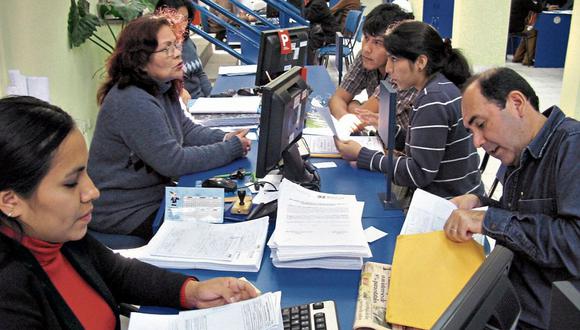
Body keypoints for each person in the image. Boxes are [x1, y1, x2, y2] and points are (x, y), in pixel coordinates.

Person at [0, 95, 258, 328]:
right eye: (70, 183)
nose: (92, 191)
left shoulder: (60, 238)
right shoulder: (8, 294)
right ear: (10, 201)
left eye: (86, 173)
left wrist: (191, 292)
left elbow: (118, 272)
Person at [88, 15, 251, 240]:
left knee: (230, 213)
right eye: (166, 48)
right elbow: (174, 162)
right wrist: (231, 148)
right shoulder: (132, 101)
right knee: (223, 223)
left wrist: (224, 138)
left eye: (176, 45)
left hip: (153, 196)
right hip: (125, 211)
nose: (177, 53)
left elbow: (187, 130)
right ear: (140, 59)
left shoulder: (161, 87)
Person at [443, 67, 580, 329]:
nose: (478, 142)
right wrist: (479, 203)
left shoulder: (572, 146)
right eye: (471, 131)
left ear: (516, 103)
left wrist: (488, 219)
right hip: (503, 300)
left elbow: (575, 244)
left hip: (541, 319)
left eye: (481, 125)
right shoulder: (517, 152)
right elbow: (522, 217)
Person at [336, 21, 484, 204]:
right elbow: (426, 141)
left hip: (447, 206)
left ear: (421, 62)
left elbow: (418, 173)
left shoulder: (433, 98)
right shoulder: (438, 87)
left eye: (395, 60)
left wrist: (363, 155)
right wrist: (386, 126)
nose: (388, 69)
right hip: (448, 195)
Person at [328, 3, 415, 135]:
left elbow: (361, 119)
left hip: (404, 150)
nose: (366, 49)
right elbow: (337, 98)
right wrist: (346, 117)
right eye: (366, 38)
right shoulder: (366, 57)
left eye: (377, 42)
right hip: (383, 140)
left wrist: (353, 105)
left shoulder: (403, 72)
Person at [155, 0, 212, 99]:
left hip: (202, 103)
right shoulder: (156, 49)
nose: (181, 24)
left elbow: (200, 73)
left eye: (185, 19)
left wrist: (212, 97)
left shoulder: (188, 42)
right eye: (176, 18)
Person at [304, 0, 339, 65]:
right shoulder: (317, 2)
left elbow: (307, 16)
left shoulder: (318, 4)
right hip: (326, 32)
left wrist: (300, 4)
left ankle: (312, 67)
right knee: (307, 36)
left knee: (306, 42)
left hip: (327, 36)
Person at [509, 0, 543, 66]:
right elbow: (538, 9)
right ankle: (528, 60)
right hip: (517, 26)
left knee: (527, 33)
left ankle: (517, 57)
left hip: (511, 25)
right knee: (532, 33)